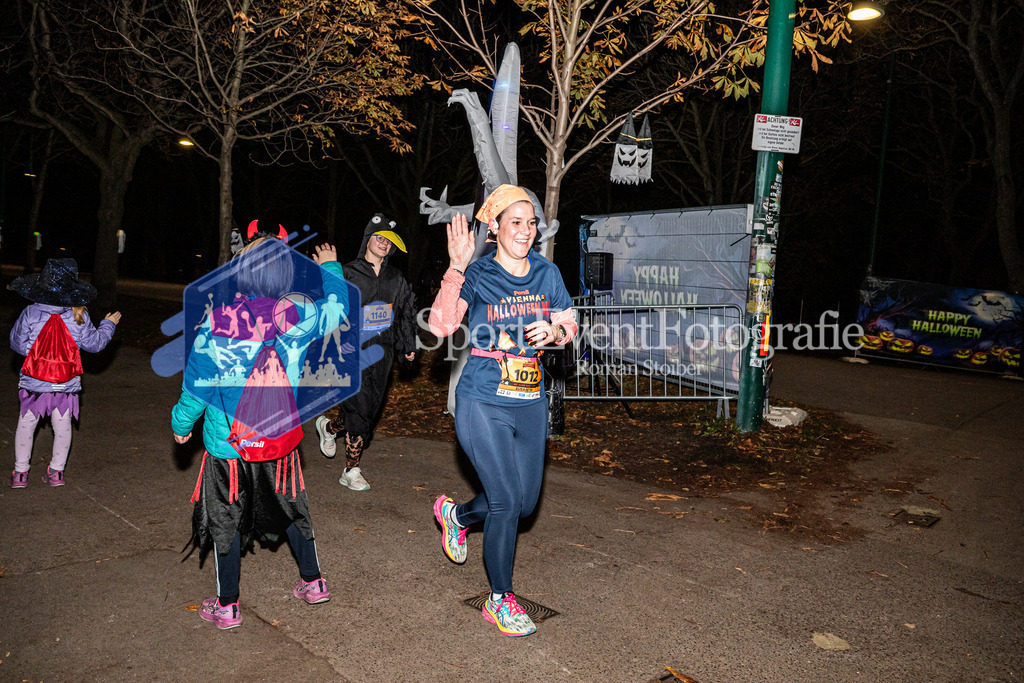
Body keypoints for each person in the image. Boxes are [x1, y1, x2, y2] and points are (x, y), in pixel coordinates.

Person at [171, 237, 347, 630]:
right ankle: (314, 582)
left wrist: (181, 425)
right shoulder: (298, 317)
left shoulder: (216, 324)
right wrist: (331, 267)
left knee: (225, 520)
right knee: (289, 508)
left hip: (228, 447)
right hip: (279, 443)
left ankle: (228, 605)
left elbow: (196, 387)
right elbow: (337, 310)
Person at [426, 184, 578, 637]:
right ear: (493, 228)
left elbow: (570, 321)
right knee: (507, 500)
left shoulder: (547, 274)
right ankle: (501, 599)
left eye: (531, 223)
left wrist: (555, 332)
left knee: (523, 504)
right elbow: (440, 326)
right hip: (482, 398)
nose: (526, 231)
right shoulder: (478, 274)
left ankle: (456, 517)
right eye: (516, 222)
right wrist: (455, 268)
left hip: (529, 401)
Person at [314, 213, 417, 491]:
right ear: (367, 240)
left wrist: (408, 346)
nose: (383, 243)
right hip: (349, 351)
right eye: (379, 237)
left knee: (367, 412)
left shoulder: (396, 278)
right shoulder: (347, 272)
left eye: (389, 241)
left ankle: (328, 428)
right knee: (359, 413)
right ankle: (351, 470)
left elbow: (406, 312)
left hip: (382, 352)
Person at [8, 258, 121, 488]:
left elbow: (17, 345)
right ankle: (56, 472)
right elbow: (96, 344)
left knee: (26, 425)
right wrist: (108, 324)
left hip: (34, 383)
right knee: (62, 427)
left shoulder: (30, 313)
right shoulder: (79, 316)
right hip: (65, 384)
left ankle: (20, 474)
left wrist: (35, 350)